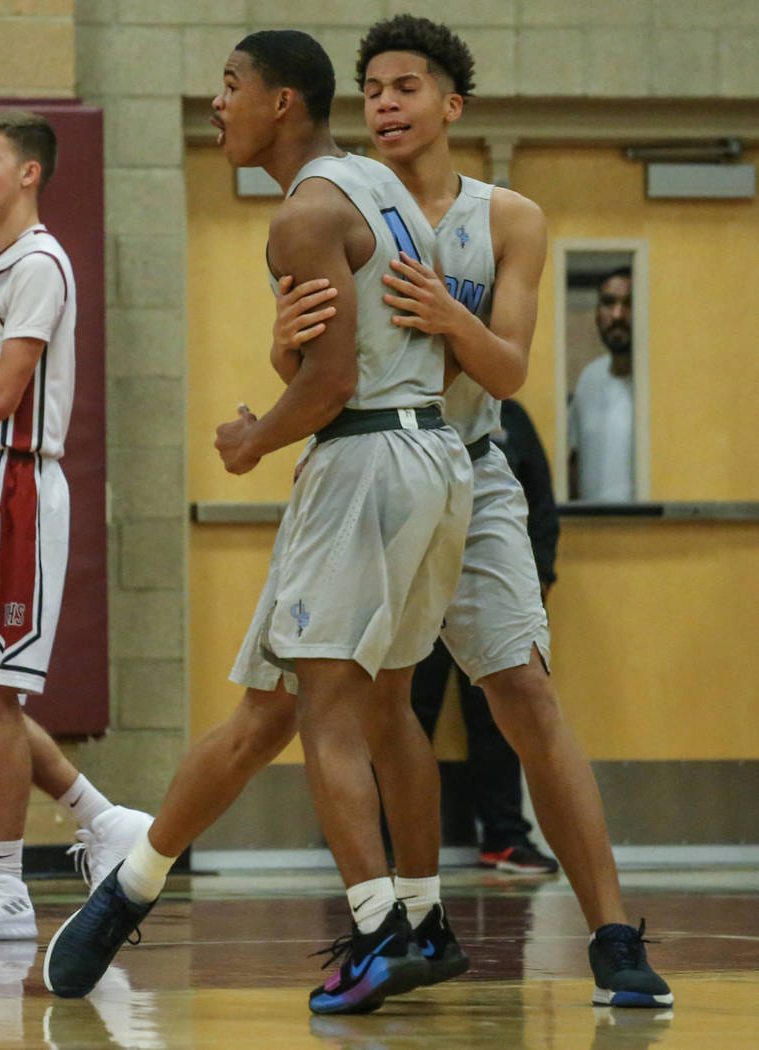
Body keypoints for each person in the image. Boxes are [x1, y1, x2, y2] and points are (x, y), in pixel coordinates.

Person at [44, 30, 475, 1015]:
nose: (217, 106)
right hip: (433, 460)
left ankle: (377, 934)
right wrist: (302, 388)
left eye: (230, 86)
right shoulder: (386, 189)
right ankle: (139, 886)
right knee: (289, 707)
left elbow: (329, 383)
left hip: (365, 462)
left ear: (283, 102)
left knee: (325, 705)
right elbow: (379, 354)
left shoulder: (304, 214)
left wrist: (252, 440)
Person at [270, 15, 671, 1009]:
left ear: (453, 105)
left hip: (475, 466)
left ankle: (615, 935)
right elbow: (309, 370)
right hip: (373, 464)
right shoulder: (345, 201)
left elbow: (512, 367)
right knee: (365, 705)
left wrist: (453, 313)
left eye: (406, 86)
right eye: (370, 89)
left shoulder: (508, 217)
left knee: (525, 697)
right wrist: (284, 343)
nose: (385, 104)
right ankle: (404, 924)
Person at [0, 110, 150, 942]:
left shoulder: (41, 263)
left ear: (30, 172)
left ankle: (4, 886)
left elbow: (4, 395)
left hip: (15, 491)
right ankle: (104, 820)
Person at [409, 398, 559, 875]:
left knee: (502, 713)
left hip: (487, 580)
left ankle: (505, 836)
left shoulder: (509, 415)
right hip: (419, 574)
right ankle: (386, 842)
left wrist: (541, 574)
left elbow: (540, 500)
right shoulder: (404, 405)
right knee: (407, 708)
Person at [567, 267, 635, 501]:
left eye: (629, 303)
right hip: (594, 530)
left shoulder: (662, 383)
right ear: (596, 313)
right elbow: (574, 461)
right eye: (608, 303)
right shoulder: (589, 378)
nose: (617, 314)